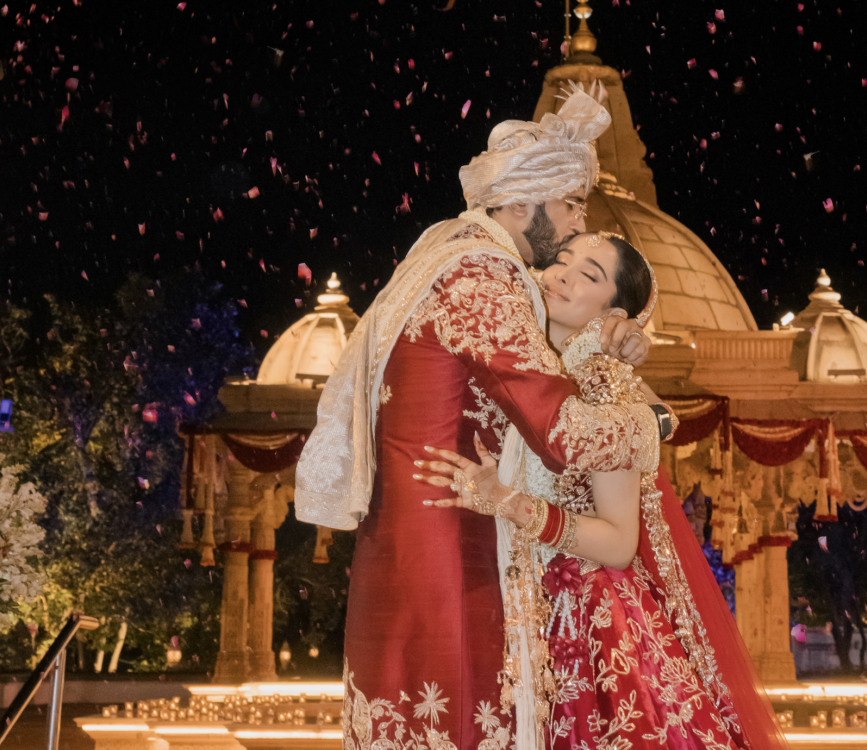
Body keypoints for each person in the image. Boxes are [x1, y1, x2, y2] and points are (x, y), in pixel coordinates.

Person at [294, 85, 679, 750]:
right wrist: (657, 422)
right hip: (452, 552)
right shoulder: (482, 274)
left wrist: (611, 345)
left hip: (419, 541)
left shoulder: (443, 254)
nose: (578, 222)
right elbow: (562, 434)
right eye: (570, 205)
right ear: (523, 202)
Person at [418, 232, 787, 750]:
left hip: (584, 621)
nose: (562, 276)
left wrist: (511, 504)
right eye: (561, 261)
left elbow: (618, 542)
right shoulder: (523, 365)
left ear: (615, 314)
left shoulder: (602, 385)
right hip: (512, 602)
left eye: (588, 276)